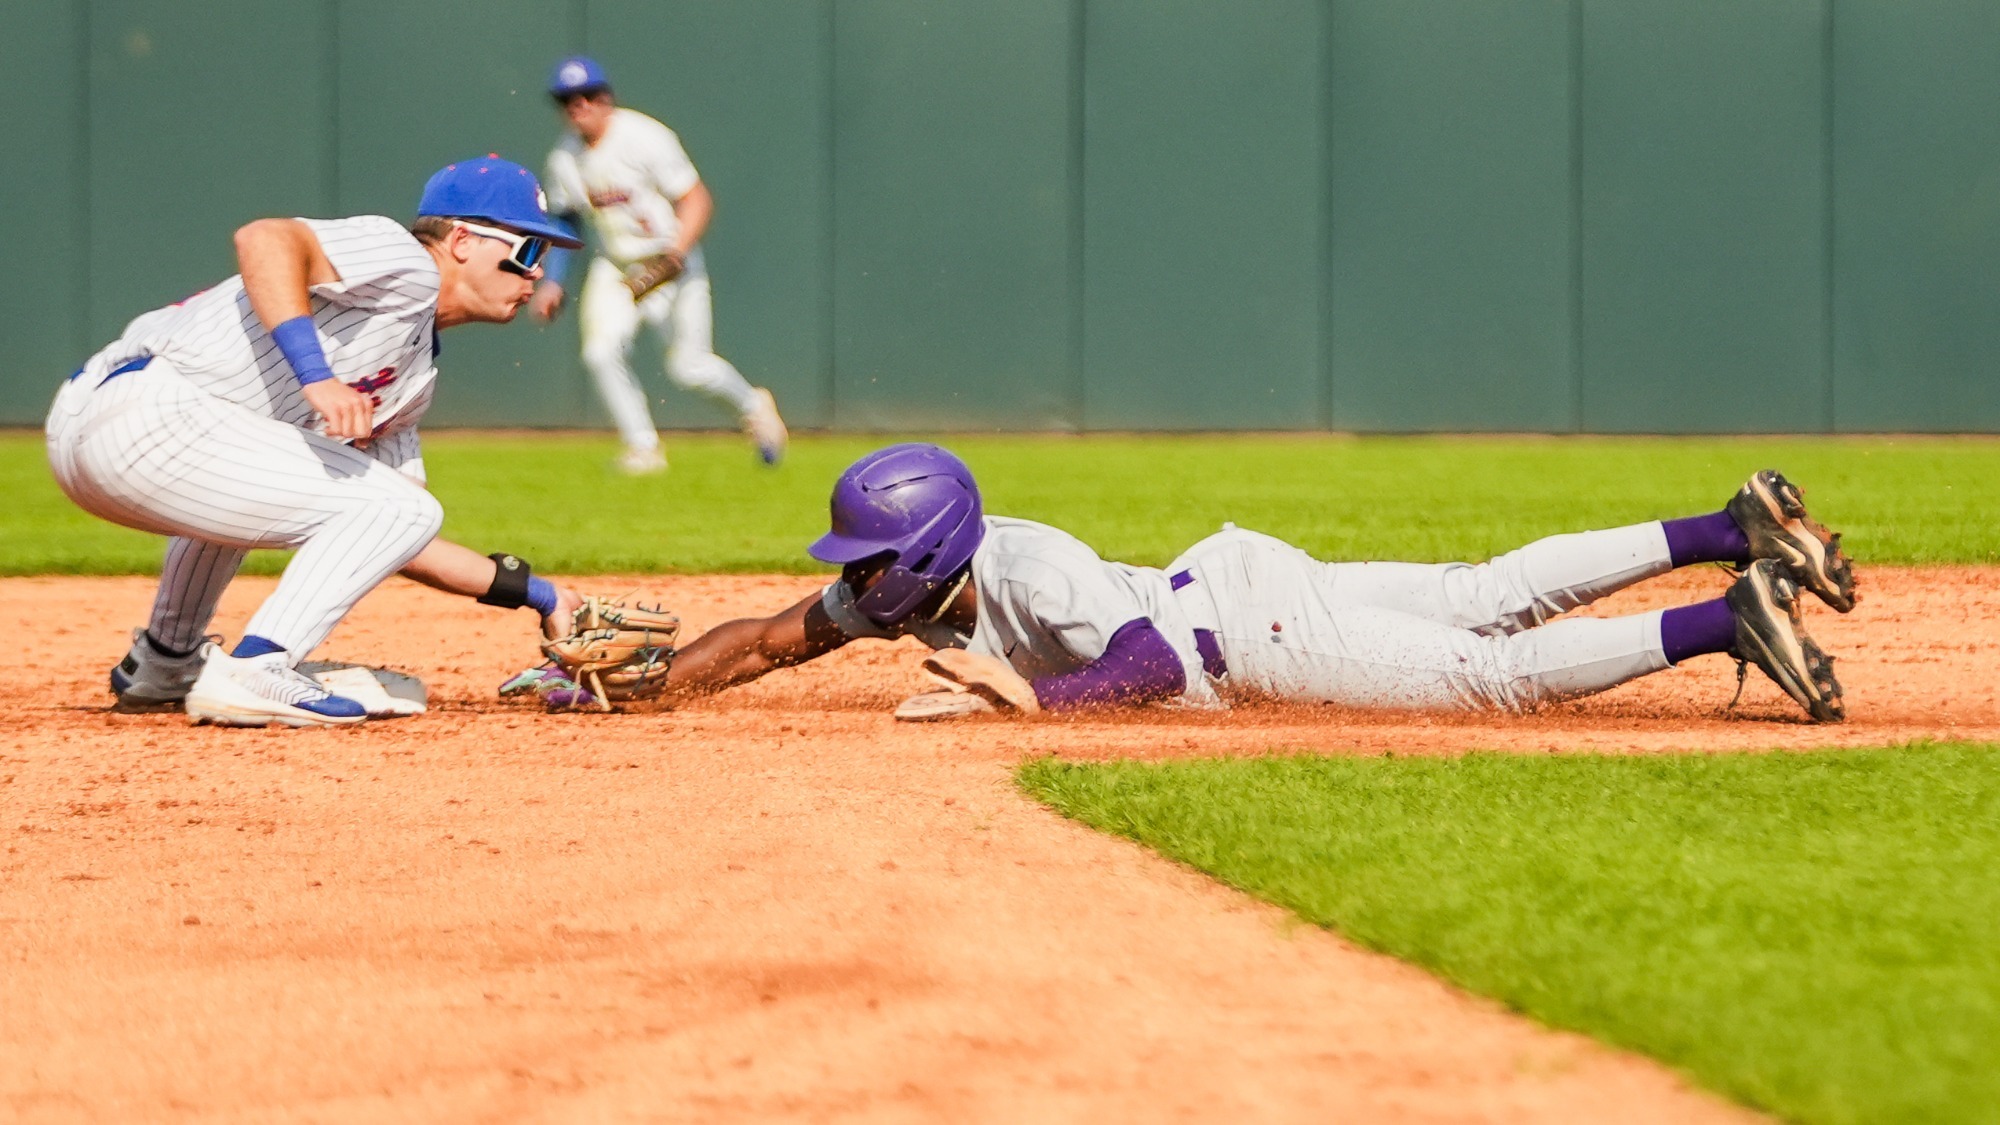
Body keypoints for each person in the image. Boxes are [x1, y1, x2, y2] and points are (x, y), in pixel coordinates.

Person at [523, 444, 1853, 722]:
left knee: (1486, 665)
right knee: (1482, 588)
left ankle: (1719, 612)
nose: (848, 582)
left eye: (864, 558)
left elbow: (1150, 669)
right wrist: (641, 691)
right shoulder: (894, 596)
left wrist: (1024, 701)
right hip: (1238, 580)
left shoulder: (1027, 566)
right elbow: (764, 640)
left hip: (1240, 632)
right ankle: (1726, 525)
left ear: (922, 548)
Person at [47, 156, 590, 727]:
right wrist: (317, 377)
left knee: (364, 501)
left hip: (118, 435)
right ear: (460, 240)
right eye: (529, 250)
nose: (536, 274)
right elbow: (265, 237)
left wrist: (540, 595)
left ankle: (165, 662)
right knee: (391, 504)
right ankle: (259, 669)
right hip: (143, 411)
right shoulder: (408, 260)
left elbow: (400, 536)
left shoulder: (411, 379)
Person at [531, 55, 788, 474]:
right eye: (566, 99)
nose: (578, 106)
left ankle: (753, 406)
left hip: (669, 260)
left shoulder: (644, 137)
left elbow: (696, 198)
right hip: (615, 264)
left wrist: (677, 251)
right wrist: (553, 281)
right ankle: (643, 448)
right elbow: (566, 218)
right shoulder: (564, 159)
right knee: (600, 352)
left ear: (607, 97)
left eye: (587, 96)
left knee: (689, 367)